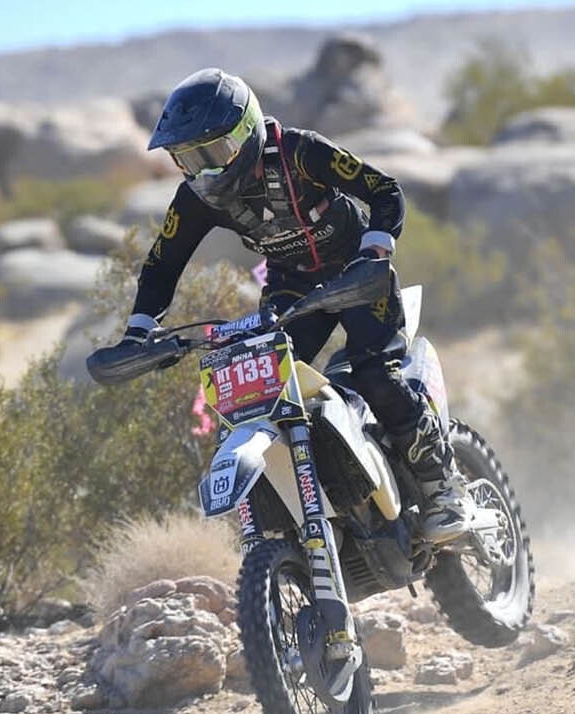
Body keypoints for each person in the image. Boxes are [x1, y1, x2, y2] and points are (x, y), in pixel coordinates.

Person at [113, 67, 470, 541]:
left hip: (357, 275)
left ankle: (444, 487)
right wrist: (140, 331)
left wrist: (376, 252)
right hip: (291, 289)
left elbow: (384, 190)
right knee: (263, 394)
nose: (204, 170)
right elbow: (162, 264)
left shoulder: (300, 152)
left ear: (247, 132)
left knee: (374, 374)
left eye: (213, 153)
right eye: (188, 159)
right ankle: (321, 504)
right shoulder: (195, 198)